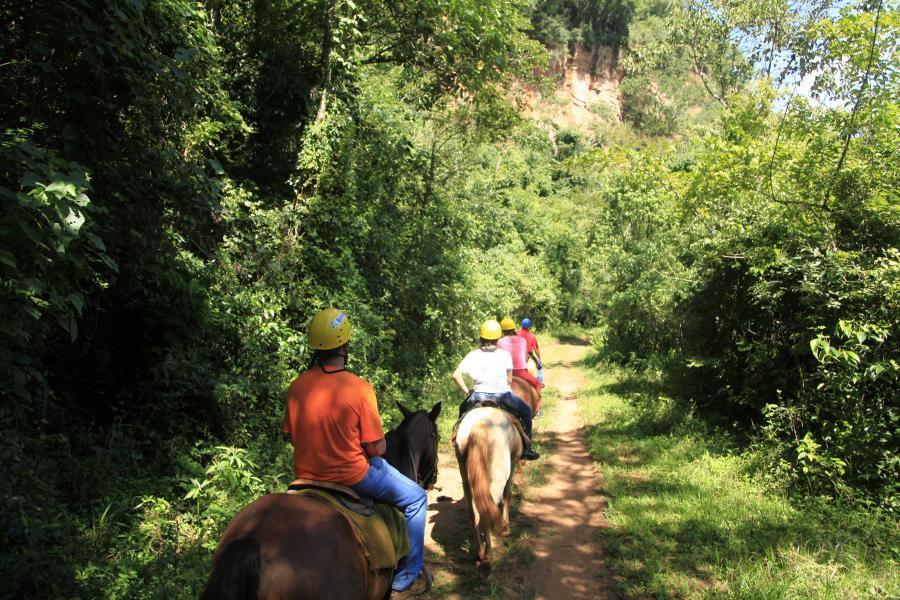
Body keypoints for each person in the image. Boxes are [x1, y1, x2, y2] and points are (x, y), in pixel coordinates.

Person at [282, 308, 430, 598]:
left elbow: (291, 435)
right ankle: (407, 576)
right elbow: (377, 448)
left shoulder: (297, 386)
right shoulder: (360, 389)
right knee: (416, 498)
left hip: (305, 477)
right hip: (353, 476)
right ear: (346, 345)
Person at [451, 319, 540, 460]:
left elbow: (455, 375)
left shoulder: (472, 355)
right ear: (498, 338)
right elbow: (510, 380)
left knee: (462, 410)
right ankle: (527, 449)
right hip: (502, 396)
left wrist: (467, 392)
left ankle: (455, 438)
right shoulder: (504, 355)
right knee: (526, 412)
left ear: (481, 338)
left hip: (478, 396)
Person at [497, 317, 543, 397]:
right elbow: (526, 358)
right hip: (521, 372)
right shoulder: (522, 340)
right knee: (537, 383)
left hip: (505, 374)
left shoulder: (499, 342)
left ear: (502, 330)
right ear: (513, 329)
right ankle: (536, 409)